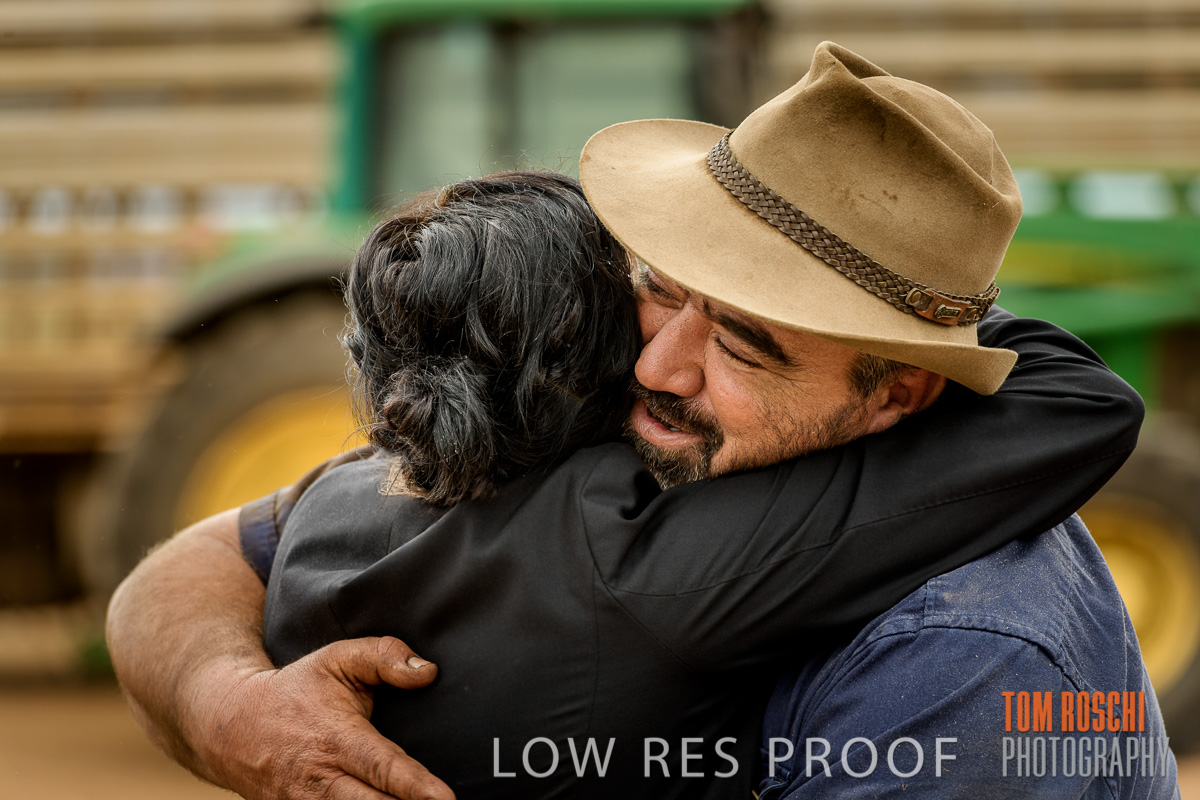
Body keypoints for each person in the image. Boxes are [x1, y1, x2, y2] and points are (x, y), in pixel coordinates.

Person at [105, 41, 1165, 799]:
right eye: (663, 284)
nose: (658, 364)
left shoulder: (967, 655)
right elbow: (194, 567)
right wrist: (229, 702)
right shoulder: (600, 438)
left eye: (746, 343)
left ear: (899, 391)